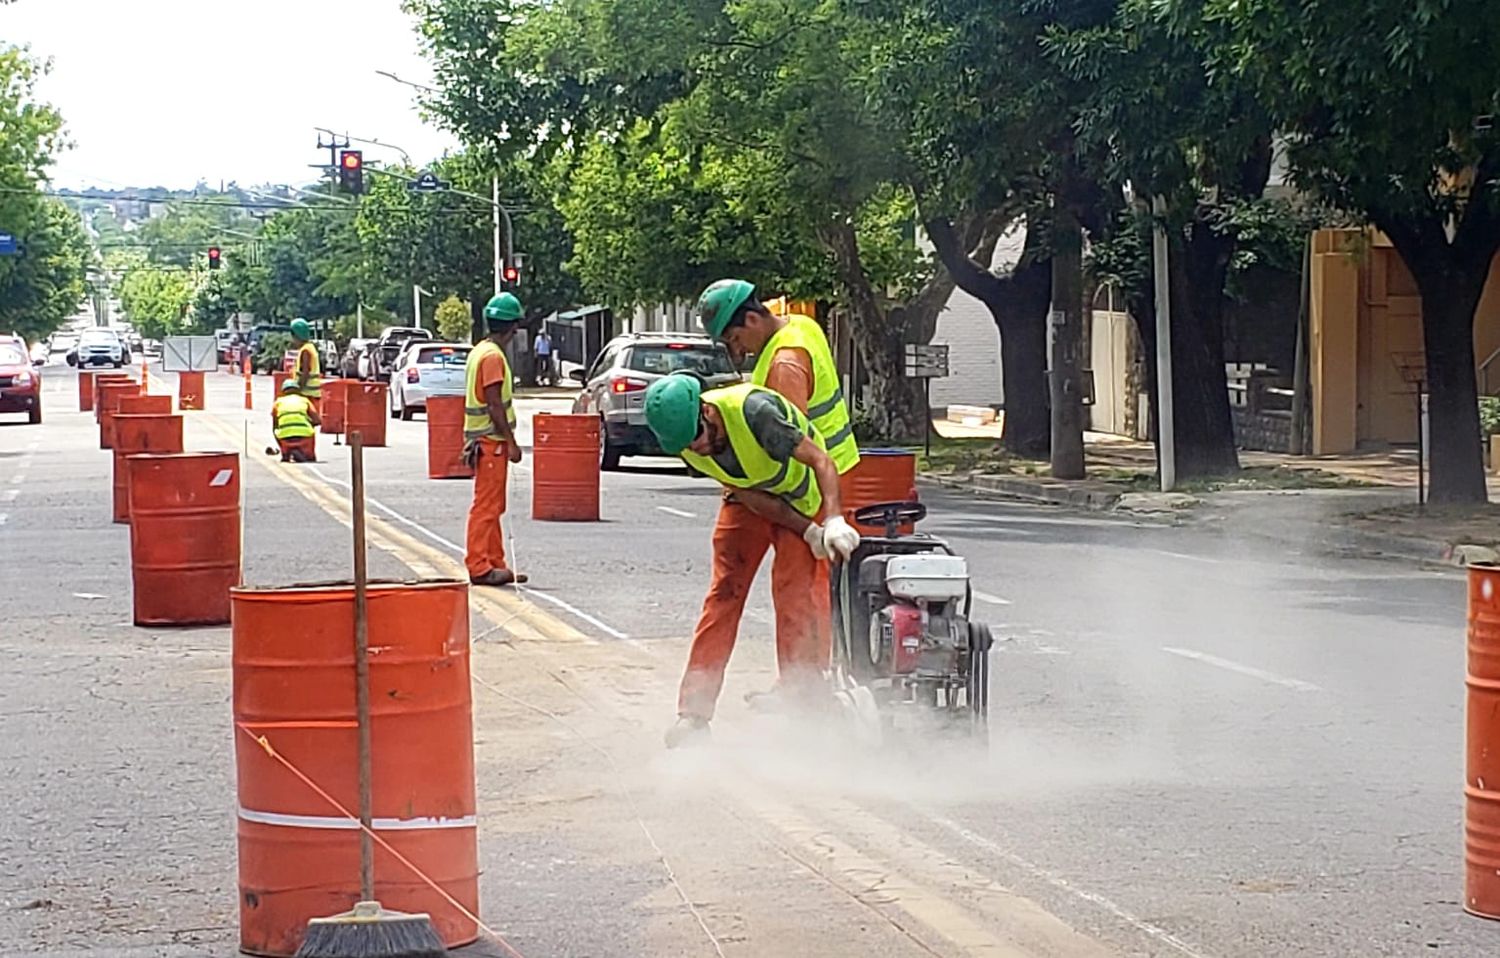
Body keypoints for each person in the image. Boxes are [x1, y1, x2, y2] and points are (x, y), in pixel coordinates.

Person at [644, 373, 861, 747]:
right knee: (723, 595)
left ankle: (803, 709)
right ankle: (693, 715)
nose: (696, 451)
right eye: (686, 447)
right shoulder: (685, 439)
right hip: (750, 499)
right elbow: (747, 492)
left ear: (707, 413)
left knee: (795, 600)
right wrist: (800, 530)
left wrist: (831, 521)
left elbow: (823, 462)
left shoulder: (756, 413)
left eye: (697, 439)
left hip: (802, 499)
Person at [690, 279, 862, 712]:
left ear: (751, 318)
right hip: (769, 482)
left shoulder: (785, 361)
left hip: (805, 488)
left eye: (735, 338)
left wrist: (814, 525)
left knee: (797, 590)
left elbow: (792, 455)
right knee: (764, 588)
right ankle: (781, 690)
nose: (736, 350)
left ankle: (804, 692)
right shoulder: (800, 326)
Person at [463, 292, 530, 588]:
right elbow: (494, 404)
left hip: (486, 442)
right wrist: (512, 442)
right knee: (486, 506)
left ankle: (495, 562)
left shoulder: (480, 351)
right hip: (490, 442)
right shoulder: (492, 358)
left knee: (494, 505)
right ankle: (479, 565)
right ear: (513, 327)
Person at [270, 379, 320, 462]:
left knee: (276, 431)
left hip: (285, 436)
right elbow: (318, 420)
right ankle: (310, 455)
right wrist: (308, 423)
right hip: (305, 436)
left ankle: (285, 453)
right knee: (310, 457)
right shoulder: (304, 400)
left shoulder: (278, 402)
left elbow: (275, 425)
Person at [289, 318, 322, 404]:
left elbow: (305, 373)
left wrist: (297, 390)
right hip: (310, 395)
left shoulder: (306, 350)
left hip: (307, 395)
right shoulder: (310, 347)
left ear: (297, 336)